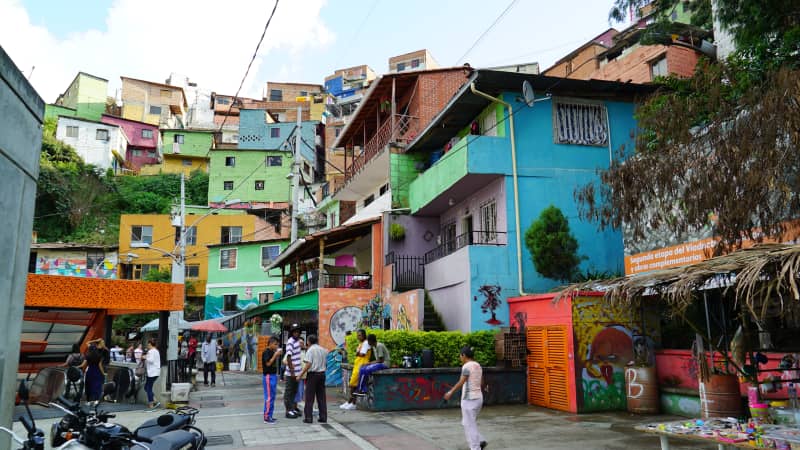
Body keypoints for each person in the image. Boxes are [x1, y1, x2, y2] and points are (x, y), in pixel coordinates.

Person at [444, 346, 487, 450]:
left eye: (460, 355)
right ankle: (480, 440)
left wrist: (450, 392)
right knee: (467, 422)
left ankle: (475, 448)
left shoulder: (467, 366)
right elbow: (482, 382)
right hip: (478, 398)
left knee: (469, 425)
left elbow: (461, 381)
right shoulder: (478, 365)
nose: (460, 358)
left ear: (464, 355)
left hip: (469, 400)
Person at [299, 334, 328, 424]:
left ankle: (308, 417)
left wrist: (300, 374)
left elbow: (308, 364)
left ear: (308, 341)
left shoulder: (310, 350)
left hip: (313, 375)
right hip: (322, 374)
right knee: (321, 397)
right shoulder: (323, 350)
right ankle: (323, 417)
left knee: (309, 397)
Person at [341, 329, 371, 410]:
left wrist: (357, 353)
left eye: (360, 335)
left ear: (364, 335)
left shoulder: (365, 343)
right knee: (353, 385)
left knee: (352, 384)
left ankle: (353, 403)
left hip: (362, 364)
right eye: (357, 335)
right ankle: (350, 402)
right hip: (358, 364)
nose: (358, 337)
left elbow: (362, 354)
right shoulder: (361, 343)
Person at [261, 336, 282, 424]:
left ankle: (270, 415)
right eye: (275, 344)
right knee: (269, 397)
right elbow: (268, 364)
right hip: (268, 376)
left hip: (273, 375)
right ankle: (266, 417)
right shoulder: (266, 352)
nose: (277, 346)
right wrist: (275, 355)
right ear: (270, 343)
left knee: (272, 397)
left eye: (278, 344)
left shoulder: (272, 351)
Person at [283, 325, 302, 418]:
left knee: (294, 391)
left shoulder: (298, 341)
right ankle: (288, 411)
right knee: (289, 392)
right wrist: (292, 371)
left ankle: (293, 408)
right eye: (294, 332)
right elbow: (288, 357)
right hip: (292, 373)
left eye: (298, 332)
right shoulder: (290, 342)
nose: (296, 333)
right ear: (292, 333)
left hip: (297, 372)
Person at [142, 339, 161, 410]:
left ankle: (151, 404)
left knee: (148, 388)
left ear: (150, 344)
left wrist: (145, 357)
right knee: (146, 387)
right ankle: (154, 400)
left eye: (148, 344)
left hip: (151, 372)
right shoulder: (156, 351)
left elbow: (151, 360)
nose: (147, 346)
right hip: (156, 372)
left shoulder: (151, 351)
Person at [294, 338, 306, 407]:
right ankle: (295, 406)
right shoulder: (293, 351)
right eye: (299, 343)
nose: (301, 344)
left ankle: (297, 405)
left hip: (304, 375)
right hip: (297, 375)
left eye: (302, 343)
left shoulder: (305, 351)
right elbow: (285, 361)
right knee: (298, 390)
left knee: (301, 390)